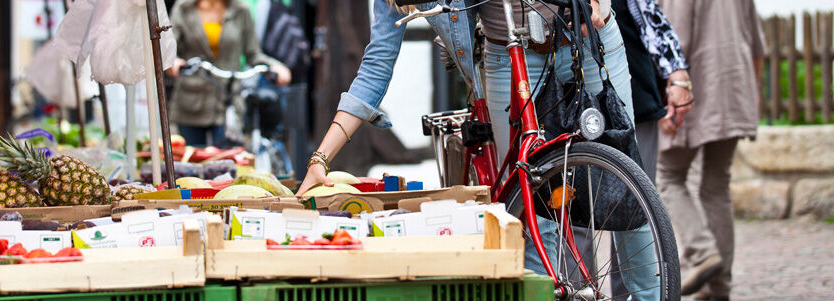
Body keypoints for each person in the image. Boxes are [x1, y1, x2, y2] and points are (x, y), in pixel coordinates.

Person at [296, 0, 664, 298]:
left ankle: (654, 295)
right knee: (534, 196)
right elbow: (375, 68)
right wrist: (320, 159)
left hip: (588, 37)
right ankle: (546, 292)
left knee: (626, 187)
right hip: (511, 58)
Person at [658, 0, 765, 300]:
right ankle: (718, 289)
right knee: (717, 186)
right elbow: (758, 46)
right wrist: (751, 98)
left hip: (696, 89)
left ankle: (702, 252)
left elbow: (673, 42)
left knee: (668, 176)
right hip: (736, 87)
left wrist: (668, 99)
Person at [608, 0, 692, 299]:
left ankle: (630, 296)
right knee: (568, 210)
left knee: (634, 208)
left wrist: (678, 75)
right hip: (565, 93)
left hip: (635, 94)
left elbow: (649, 14)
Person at [167, 0, 292, 147]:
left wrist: (275, 67)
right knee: (190, 160)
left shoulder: (241, 10)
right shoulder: (184, 8)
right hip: (191, 100)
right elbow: (169, 49)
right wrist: (173, 62)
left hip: (227, 101)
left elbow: (253, 53)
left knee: (228, 161)